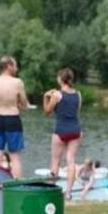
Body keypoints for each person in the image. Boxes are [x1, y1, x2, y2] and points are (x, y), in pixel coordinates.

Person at [43, 68, 84, 198]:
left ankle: (51, 191)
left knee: (55, 161)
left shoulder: (56, 95)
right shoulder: (78, 94)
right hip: (75, 129)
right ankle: (68, 193)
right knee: (71, 160)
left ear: (60, 79)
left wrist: (45, 97)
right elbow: (77, 111)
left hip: (61, 130)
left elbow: (47, 111)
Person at [0, 55, 29, 178]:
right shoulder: (17, 82)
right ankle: (17, 185)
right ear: (8, 66)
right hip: (12, 119)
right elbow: (24, 104)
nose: (16, 68)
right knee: (15, 156)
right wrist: (19, 105)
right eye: (15, 65)